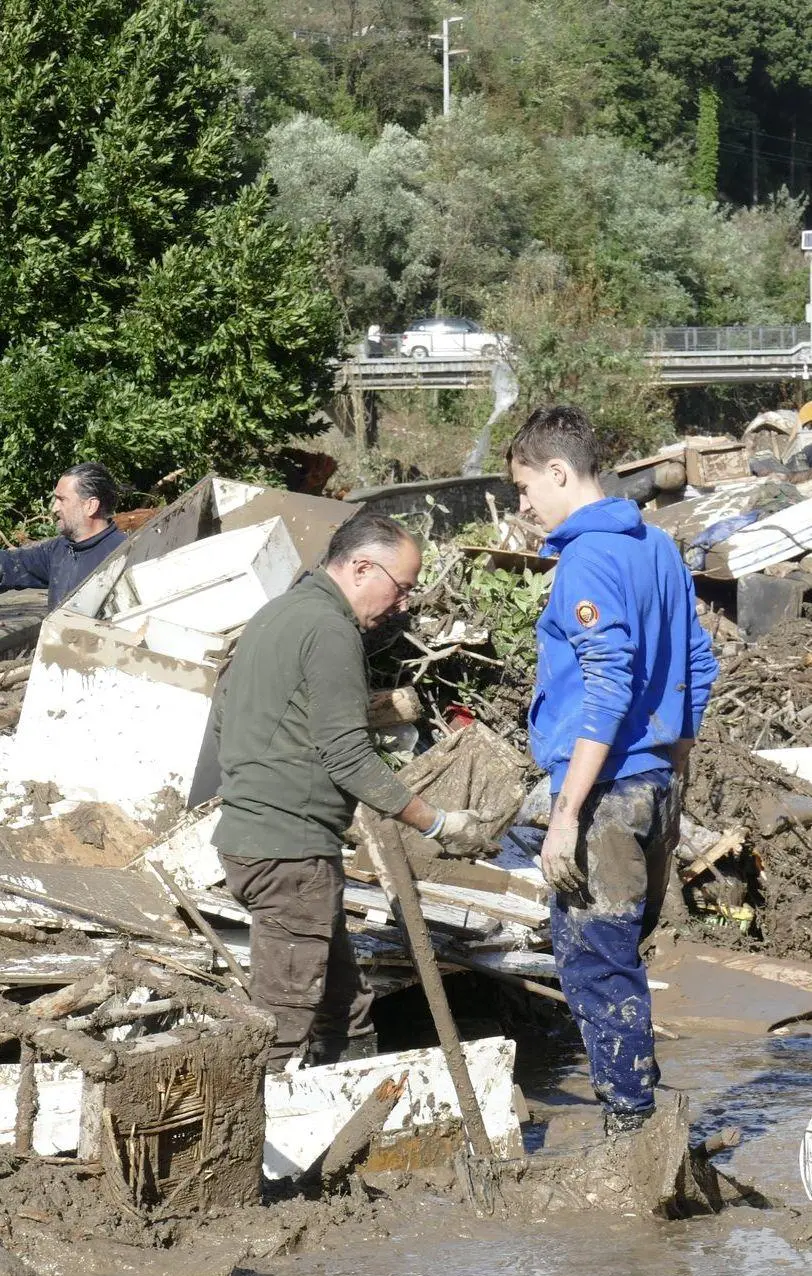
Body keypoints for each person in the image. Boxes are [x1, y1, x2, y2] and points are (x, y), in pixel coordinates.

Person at [213, 511, 494, 1069]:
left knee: (343, 1003)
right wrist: (437, 823)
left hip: (257, 839)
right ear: (363, 567)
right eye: (402, 588)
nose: (404, 604)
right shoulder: (331, 630)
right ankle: (240, 1145)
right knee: (284, 1018)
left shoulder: (278, 613)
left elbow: (223, 717)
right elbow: (347, 755)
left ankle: (358, 1111)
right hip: (289, 850)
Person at [508, 405, 719, 1137]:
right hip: (656, 785)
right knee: (619, 957)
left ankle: (633, 1139)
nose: (523, 505)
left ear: (559, 472)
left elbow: (607, 685)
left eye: (526, 487)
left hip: (605, 795)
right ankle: (645, 1120)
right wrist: (675, 765)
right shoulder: (658, 546)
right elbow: (698, 662)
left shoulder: (587, 562)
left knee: (596, 963)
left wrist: (566, 814)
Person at [0, 463, 126, 609]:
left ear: (91, 506)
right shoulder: (59, 549)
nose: (54, 508)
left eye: (62, 500)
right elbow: (12, 564)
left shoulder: (124, 556)